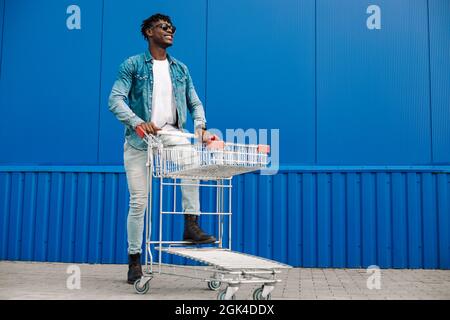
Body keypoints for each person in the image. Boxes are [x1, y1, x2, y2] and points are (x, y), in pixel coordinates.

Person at [108, 13, 216, 284]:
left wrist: (200, 127)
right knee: (139, 202)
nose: (170, 31)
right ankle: (135, 261)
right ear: (148, 32)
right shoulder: (132, 65)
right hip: (140, 140)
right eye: (163, 27)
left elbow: (195, 103)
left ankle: (190, 225)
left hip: (172, 135)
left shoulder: (180, 69)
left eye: (172, 28)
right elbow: (115, 99)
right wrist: (137, 122)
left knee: (193, 165)